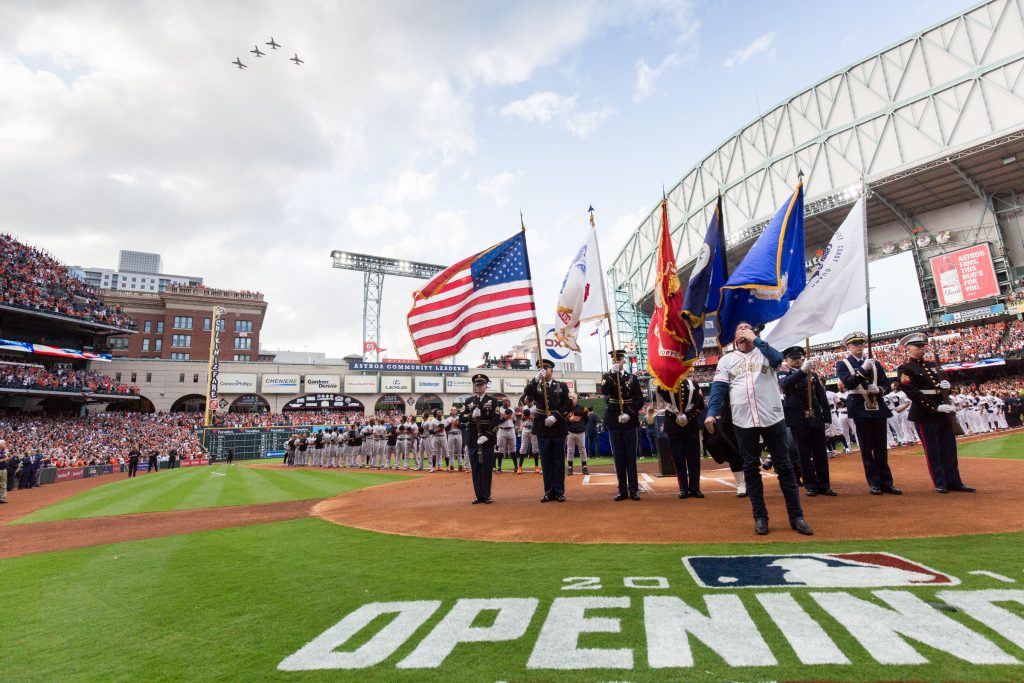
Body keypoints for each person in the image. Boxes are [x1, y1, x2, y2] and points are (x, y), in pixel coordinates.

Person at [704, 322, 813, 536]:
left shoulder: (766, 352)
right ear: (734, 336)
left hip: (772, 416)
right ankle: (760, 516)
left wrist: (756, 340)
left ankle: (796, 516)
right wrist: (711, 412)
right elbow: (718, 388)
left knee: (784, 467)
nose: (743, 330)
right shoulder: (727, 360)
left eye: (747, 328)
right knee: (751, 468)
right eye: (739, 328)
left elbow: (778, 359)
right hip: (743, 419)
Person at [895, 332, 975, 494]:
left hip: (943, 413)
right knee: (933, 450)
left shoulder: (933, 365)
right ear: (908, 348)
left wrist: (947, 386)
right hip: (925, 414)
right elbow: (913, 393)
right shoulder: (905, 369)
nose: (922, 349)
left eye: (923, 346)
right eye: (918, 346)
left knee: (949, 449)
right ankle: (941, 482)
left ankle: (955, 481)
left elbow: (942, 389)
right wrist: (935, 407)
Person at [835, 331, 902, 496]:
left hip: (877, 406)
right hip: (860, 408)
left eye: (861, 343)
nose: (858, 346)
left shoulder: (875, 363)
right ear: (848, 347)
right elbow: (849, 384)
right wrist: (863, 370)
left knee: (881, 448)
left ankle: (887, 482)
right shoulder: (843, 364)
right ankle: (874, 483)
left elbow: (886, 384)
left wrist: (879, 389)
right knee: (866, 448)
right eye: (854, 344)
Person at [778, 346, 835, 497]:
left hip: (815, 417)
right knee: (803, 454)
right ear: (787, 360)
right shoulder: (783, 374)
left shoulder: (813, 375)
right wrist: (803, 371)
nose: (797, 361)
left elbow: (821, 396)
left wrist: (827, 419)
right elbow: (786, 385)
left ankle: (824, 484)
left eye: (799, 358)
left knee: (820, 453)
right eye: (793, 359)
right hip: (797, 419)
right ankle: (810, 484)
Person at [525, 358, 572, 502]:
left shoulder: (561, 386)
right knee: (545, 460)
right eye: (541, 368)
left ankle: (559, 491)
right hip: (542, 427)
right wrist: (535, 378)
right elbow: (527, 392)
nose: (544, 371)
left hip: (557, 426)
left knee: (558, 460)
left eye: (546, 368)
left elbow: (567, 405)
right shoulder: (537, 385)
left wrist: (556, 416)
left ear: (552, 370)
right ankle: (548, 491)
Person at [601, 349, 644, 501]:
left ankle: (633, 489)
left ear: (623, 361)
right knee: (618, 456)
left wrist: (629, 413)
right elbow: (605, 391)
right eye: (614, 361)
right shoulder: (607, 377)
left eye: (618, 360)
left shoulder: (632, 378)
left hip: (629, 419)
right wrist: (613, 374)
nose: (616, 363)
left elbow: (639, 399)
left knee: (630, 456)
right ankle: (622, 490)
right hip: (614, 419)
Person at [656, 377, 704, 499]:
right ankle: (683, 488)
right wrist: (663, 379)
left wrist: (688, 416)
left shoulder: (693, 384)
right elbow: (663, 394)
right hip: (673, 423)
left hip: (690, 423)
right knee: (678, 458)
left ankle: (695, 488)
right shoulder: (668, 384)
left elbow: (699, 404)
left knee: (693, 459)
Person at [460, 373, 500, 504]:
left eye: (481, 384)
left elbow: (496, 419)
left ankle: (486, 494)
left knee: (486, 467)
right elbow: (461, 418)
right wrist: (471, 415)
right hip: (472, 437)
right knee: (476, 468)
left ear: (486, 386)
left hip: (486, 438)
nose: (478, 387)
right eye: (476, 385)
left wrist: (487, 435)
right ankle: (478, 495)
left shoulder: (492, 401)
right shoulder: (468, 401)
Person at [565, 396, 587, 476]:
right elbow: (564, 420)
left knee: (582, 449)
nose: (572, 399)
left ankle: (584, 467)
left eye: (574, 397)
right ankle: (570, 467)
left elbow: (586, 419)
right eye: (570, 397)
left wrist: (582, 427)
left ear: (576, 399)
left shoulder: (582, 408)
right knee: (570, 450)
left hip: (580, 432)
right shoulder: (566, 409)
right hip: (570, 432)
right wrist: (569, 420)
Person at [0, 440, 9, 504]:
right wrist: (5, 459)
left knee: (3, 484)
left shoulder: (3, 452)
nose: (5, 445)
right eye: (4, 444)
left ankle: (2, 498)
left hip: (3, 469)